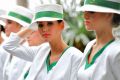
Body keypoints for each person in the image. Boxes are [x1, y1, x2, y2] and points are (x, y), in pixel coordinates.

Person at [3, 4, 83, 80]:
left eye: (50, 23)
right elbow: (9, 46)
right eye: (41, 25)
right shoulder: (41, 51)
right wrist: (31, 28)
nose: (44, 29)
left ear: (61, 25)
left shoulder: (75, 57)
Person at [76, 0, 120, 80]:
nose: (85, 16)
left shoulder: (117, 52)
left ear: (109, 14)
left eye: (92, 11)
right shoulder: (89, 46)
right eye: (84, 11)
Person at [0, 6, 34, 80]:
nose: (5, 26)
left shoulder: (29, 50)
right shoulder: (14, 48)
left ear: (22, 26)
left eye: (9, 22)